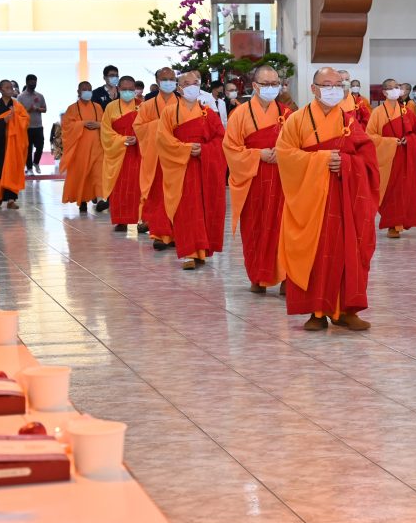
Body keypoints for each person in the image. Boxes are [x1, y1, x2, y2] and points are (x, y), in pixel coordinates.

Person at [276, 67, 379, 331]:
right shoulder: (296, 120)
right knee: (317, 252)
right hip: (311, 200)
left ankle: (346, 310)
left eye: (337, 85)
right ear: (313, 88)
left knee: (348, 252)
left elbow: (367, 159)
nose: (333, 89)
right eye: (326, 84)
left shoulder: (349, 122)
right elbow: (285, 156)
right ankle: (317, 312)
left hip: (345, 198)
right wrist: (322, 160)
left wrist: (345, 163)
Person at [223, 66, 290, 290]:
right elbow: (231, 149)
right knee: (255, 227)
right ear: (255, 86)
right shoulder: (239, 114)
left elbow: (298, 144)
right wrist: (257, 154)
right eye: (266, 84)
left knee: (283, 226)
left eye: (275, 84)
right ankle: (258, 276)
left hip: (282, 179)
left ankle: (285, 277)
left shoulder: (286, 114)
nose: (271, 88)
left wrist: (285, 154)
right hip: (253, 179)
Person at [156, 71, 226, 269]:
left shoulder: (207, 112)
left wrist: (204, 150)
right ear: (179, 88)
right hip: (181, 168)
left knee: (204, 208)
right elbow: (163, 140)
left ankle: (201, 251)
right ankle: (188, 252)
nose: (192, 86)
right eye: (187, 83)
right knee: (186, 208)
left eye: (195, 83)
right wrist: (186, 149)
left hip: (204, 167)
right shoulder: (170, 112)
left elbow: (221, 139)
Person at [365, 78, 416, 239]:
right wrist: (390, 142)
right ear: (384, 92)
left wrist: (409, 140)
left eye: (397, 87)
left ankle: (397, 224)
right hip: (387, 159)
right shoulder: (377, 112)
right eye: (390, 88)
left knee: (402, 191)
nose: (395, 90)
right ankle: (392, 223)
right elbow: (369, 136)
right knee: (390, 191)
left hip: (405, 156)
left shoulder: (407, 111)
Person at [134, 70, 177, 250]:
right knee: (158, 195)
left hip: (177, 157)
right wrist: (160, 125)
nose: (168, 82)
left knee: (177, 196)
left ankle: (176, 233)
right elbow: (138, 127)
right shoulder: (147, 105)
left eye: (171, 79)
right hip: (156, 158)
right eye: (164, 79)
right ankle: (160, 233)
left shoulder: (184, 104)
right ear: (157, 81)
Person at [100, 76, 145, 232]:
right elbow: (106, 132)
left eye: (131, 90)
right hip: (119, 153)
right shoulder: (111, 107)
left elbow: (150, 128)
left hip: (139, 152)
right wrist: (123, 139)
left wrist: (140, 137)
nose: (128, 92)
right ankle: (121, 220)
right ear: (118, 89)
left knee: (140, 186)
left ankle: (142, 219)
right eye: (124, 89)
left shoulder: (142, 106)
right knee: (120, 186)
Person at [0, 79, 29, 209]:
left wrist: (15, 118)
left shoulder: (18, 106)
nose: (10, 89)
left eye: (11, 87)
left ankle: (11, 200)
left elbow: (26, 120)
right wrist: (4, 121)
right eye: (7, 87)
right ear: (1, 90)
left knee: (13, 169)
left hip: (13, 145)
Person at [60, 81, 104, 214]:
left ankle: (100, 199)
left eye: (89, 89)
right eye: (84, 89)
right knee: (83, 174)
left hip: (97, 145)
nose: (87, 92)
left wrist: (99, 125)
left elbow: (105, 123)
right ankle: (83, 201)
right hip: (80, 148)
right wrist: (82, 124)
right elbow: (67, 126)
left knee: (98, 173)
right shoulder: (72, 108)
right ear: (78, 92)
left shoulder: (97, 107)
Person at [17, 73, 47, 175]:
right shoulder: (20, 97)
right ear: (27, 83)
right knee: (28, 148)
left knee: (40, 146)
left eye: (35, 83)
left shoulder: (39, 95)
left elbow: (45, 109)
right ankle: (29, 168)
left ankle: (36, 163)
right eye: (31, 83)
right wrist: (28, 110)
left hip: (38, 126)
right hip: (27, 127)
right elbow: (18, 113)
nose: (33, 85)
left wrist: (38, 109)